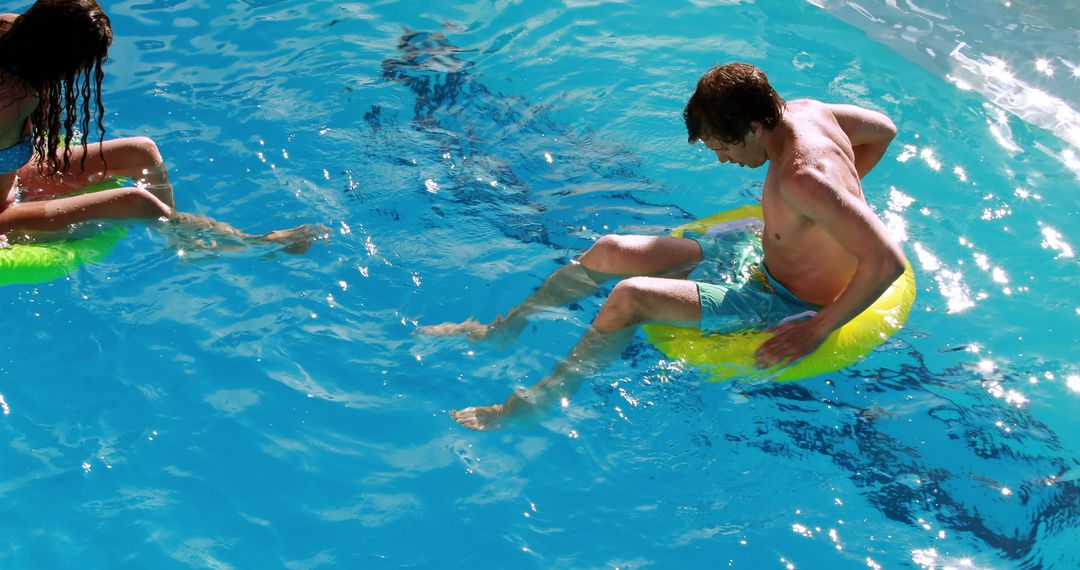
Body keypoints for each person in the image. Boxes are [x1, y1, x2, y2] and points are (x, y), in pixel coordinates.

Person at [425, 62, 907, 430]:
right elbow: (884, 129)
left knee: (630, 295)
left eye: (725, 145)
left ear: (756, 127)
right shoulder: (808, 112)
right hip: (760, 254)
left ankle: (534, 403)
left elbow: (887, 262)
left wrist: (819, 328)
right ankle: (504, 328)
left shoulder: (806, 180)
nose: (721, 159)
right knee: (611, 248)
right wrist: (834, 211)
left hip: (786, 301)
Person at [0, 0, 325, 252]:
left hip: (14, 183)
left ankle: (176, 236)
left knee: (142, 150)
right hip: (4, 214)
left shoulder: (9, 28)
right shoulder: (16, 102)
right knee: (135, 201)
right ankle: (250, 246)